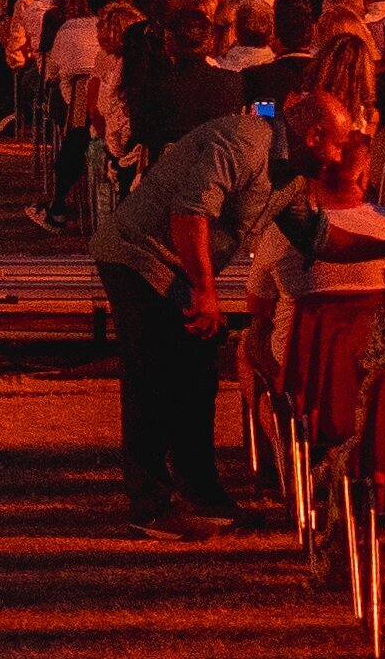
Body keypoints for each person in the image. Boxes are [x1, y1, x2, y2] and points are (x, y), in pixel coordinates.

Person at [90, 57, 276, 536]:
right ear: (317, 137)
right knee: (151, 377)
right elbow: (189, 214)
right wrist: (207, 292)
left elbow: (308, 232)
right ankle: (149, 505)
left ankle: (200, 488)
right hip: (140, 256)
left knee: (196, 375)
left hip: (183, 270)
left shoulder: (292, 170)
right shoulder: (243, 142)